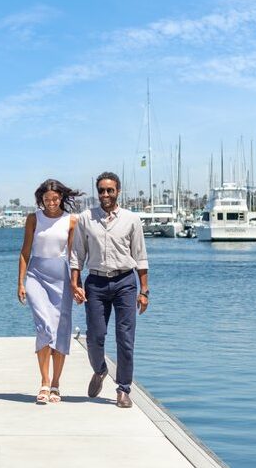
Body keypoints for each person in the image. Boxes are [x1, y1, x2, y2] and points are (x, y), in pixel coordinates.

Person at [70, 172, 149, 409]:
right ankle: (100, 370)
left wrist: (144, 291)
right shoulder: (86, 218)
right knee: (95, 337)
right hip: (96, 283)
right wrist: (76, 284)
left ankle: (123, 389)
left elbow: (141, 257)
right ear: (98, 192)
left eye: (110, 190)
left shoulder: (131, 219)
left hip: (125, 282)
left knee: (125, 339)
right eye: (102, 190)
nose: (105, 194)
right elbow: (77, 255)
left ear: (118, 191)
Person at [17, 179, 82, 404]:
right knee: (43, 325)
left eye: (55, 199)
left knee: (61, 329)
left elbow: (74, 257)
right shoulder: (34, 219)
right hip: (36, 274)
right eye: (46, 199)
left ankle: (55, 385)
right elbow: (25, 251)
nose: (51, 203)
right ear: (41, 200)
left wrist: (77, 285)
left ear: (61, 197)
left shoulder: (71, 221)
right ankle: (44, 383)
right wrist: (21, 282)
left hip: (62, 277)